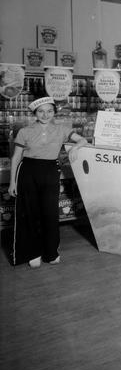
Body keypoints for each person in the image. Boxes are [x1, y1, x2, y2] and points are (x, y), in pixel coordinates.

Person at [8, 97, 88, 267]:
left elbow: (83, 140)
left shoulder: (62, 129)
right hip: (28, 171)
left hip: (51, 171)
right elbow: (16, 157)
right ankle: (32, 252)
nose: (45, 115)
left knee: (50, 213)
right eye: (41, 111)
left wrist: (75, 147)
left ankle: (50, 252)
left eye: (49, 111)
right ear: (35, 113)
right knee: (30, 212)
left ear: (54, 112)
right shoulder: (25, 131)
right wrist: (12, 182)